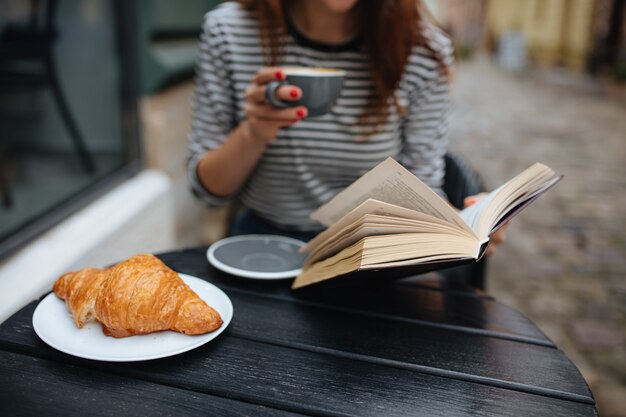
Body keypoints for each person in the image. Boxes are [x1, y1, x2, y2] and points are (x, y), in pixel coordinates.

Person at [187, 0, 506, 255]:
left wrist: (468, 225)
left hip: (370, 252)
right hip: (260, 245)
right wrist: (254, 132)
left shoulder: (420, 49)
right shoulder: (229, 31)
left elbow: (421, 186)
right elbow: (208, 190)